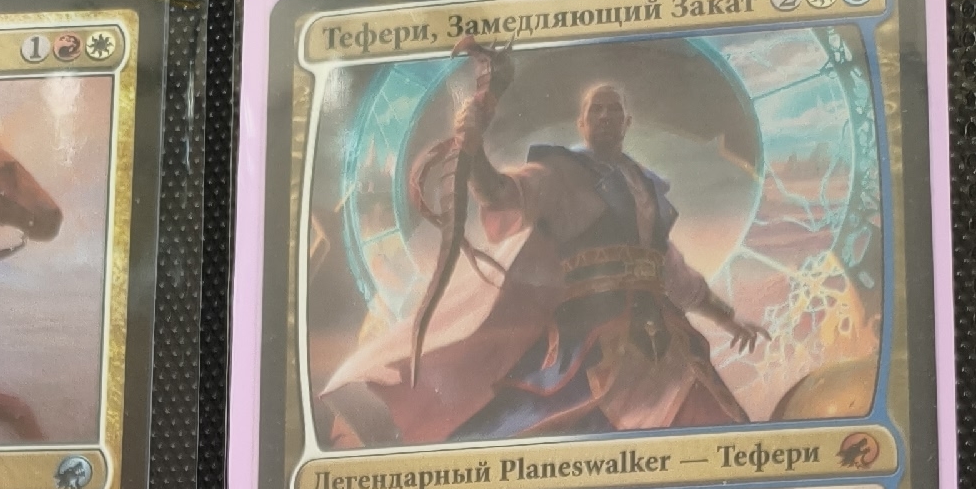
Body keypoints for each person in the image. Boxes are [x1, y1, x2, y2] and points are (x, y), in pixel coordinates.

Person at [322, 81, 763, 443]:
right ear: (581, 123)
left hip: (663, 335)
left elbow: (674, 272)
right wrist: (473, 152)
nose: (605, 116)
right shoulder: (559, 173)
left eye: (614, 110)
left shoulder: (647, 187)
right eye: (595, 110)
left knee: (716, 427)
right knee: (546, 427)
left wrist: (728, 318)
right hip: (588, 337)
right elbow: (499, 193)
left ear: (627, 122)